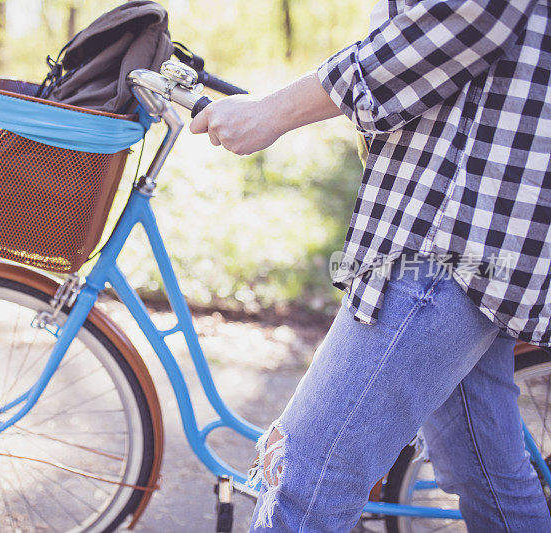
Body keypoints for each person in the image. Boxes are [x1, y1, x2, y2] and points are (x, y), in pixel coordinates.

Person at [189, 0, 551, 531]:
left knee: (301, 482)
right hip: (475, 225)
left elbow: (462, 18)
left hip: (451, 229)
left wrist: (276, 110)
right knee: (488, 476)